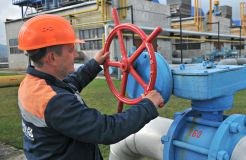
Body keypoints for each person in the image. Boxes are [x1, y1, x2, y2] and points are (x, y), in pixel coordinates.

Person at [17, 14, 164, 160]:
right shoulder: (54, 102)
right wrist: (148, 106)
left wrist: (94, 64)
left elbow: (70, 84)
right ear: (52, 58)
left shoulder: (32, 84)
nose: (75, 54)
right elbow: (107, 129)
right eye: (70, 49)